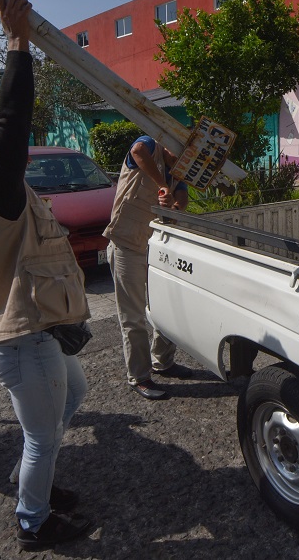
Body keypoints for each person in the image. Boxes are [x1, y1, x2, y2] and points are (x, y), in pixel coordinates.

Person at [0, 0, 93, 552]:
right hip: (22, 340)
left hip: (37, 335)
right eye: (13, 147)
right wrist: (17, 43)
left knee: (74, 397)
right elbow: (13, 121)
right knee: (41, 438)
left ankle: (29, 480)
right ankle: (33, 520)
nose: (25, 147)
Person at [103, 135, 194, 400]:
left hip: (156, 247)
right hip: (126, 243)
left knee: (167, 309)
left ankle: (163, 362)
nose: (180, 160)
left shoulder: (179, 170)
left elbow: (181, 199)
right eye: (177, 153)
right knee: (133, 317)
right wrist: (163, 186)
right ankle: (140, 376)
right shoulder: (150, 145)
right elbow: (138, 150)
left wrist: (174, 204)